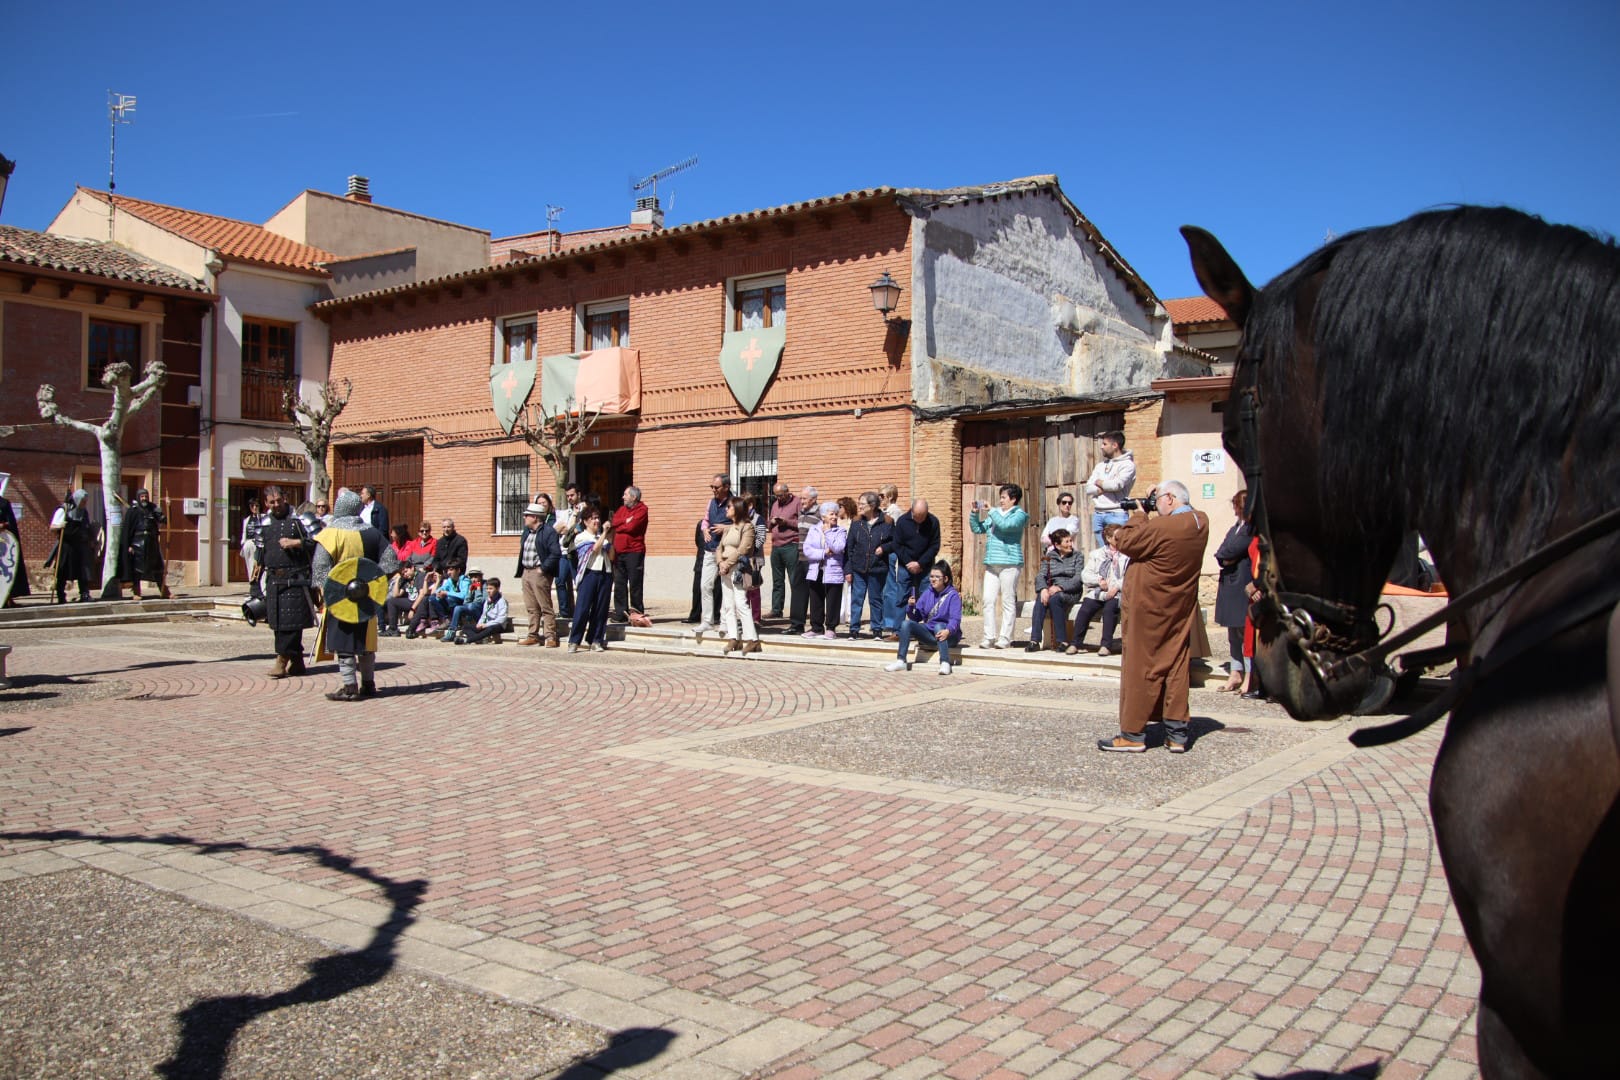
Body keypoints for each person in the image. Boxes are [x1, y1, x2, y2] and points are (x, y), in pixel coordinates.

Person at [1098, 480, 1210, 754]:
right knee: (1175, 666)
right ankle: (1177, 734)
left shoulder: (1162, 527)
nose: (1155, 503)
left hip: (1149, 608)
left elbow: (1123, 541)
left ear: (1170, 499)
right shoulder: (1200, 522)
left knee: (1140, 667)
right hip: (1179, 606)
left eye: (1158, 499)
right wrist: (1153, 504)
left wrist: (1138, 516)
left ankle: (1133, 734)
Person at [313, 487, 401, 701]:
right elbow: (391, 562)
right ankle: (368, 683)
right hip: (367, 597)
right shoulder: (371, 533)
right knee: (366, 641)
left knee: (343, 642)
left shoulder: (330, 534)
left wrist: (323, 592)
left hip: (340, 597)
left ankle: (349, 685)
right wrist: (377, 583)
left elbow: (320, 568)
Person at [259, 485, 315, 677]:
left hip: (295, 577)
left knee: (292, 623)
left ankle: (281, 660)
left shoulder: (299, 519)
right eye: (271, 502)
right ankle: (297, 661)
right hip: (274, 578)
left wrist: (295, 542)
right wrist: (254, 581)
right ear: (266, 503)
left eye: (278, 500)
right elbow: (261, 553)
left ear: (285, 498)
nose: (276, 505)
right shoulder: (264, 522)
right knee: (277, 623)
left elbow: (317, 542)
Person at [968, 483, 1029, 649]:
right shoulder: (995, 514)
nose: (1000, 500)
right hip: (992, 563)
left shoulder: (1019, 515)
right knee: (988, 600)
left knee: (1008, 601)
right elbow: (977, 528)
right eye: (1000, 497)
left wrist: (992, 511)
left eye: (1004, 497)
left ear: (1013, 499)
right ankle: (989, 637)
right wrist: (974, 514)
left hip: (1010, 563)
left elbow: (1006, 526)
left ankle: (1005, 638)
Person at [885, 561, 962, 675]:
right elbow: (915, 618)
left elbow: (955, 619)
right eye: (931, 576)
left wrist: (948, 630)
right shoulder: (927, 593)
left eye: (937, 577)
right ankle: (901, 661)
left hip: (949, 635)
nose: (933, 579)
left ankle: (945, 662)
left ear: (945, 579)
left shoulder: (953, 595)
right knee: (906, 624)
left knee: (939, 626)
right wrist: (911, 607)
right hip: (931, 635)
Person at [1212, 490, 1254, 692]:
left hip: (1242, 583)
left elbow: (1234, 549)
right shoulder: (1236, 527)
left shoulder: (1251, 528)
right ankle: (1235, 672)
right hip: (1229, 583)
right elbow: (1222, 551)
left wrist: (1227, 555)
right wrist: (1225, 556)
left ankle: (1249, 675)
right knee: (1232, 634)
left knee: (1244, 632)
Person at [1072, 523, 1128, 654]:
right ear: (1108, 538)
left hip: (1117, 592)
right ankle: (1076, 642)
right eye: (1117, 537)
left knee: (1110, 608)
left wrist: (1117, 586)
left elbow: (1130, 576)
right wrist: (1099, 580)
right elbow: (1085, 575)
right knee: (1086, 607)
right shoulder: (1097, 554)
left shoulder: (1126, 555)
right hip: (1099, 591)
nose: (1121, 539)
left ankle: (1106, 645)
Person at [844, 492, 893, 640]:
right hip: (859, 568)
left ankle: (877, 629)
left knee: (876, 600)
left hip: (877, 567)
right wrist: (848, 569)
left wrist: (884, 548)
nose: (859, 507)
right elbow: (849, 548)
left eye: (862, 504)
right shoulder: (857, 522)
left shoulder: (888, 522)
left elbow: (894, 542)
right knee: (857, 599)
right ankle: (854, 629)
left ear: (872, 506)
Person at [716, 496, 762, 654]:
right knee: (728, 605)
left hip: (738, 570)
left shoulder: (747, 527)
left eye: (729, 507)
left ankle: (753, 640)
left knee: (741, 603)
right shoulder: (728, 528)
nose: (726, 509)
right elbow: (719, 548)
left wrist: (727, 564)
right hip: (725, 570)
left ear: (737, 508)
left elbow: (743, 549)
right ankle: (733, 638)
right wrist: (720, 563)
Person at [1026, 529, 1083, 652]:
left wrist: (1060, 587)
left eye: (1070, 541)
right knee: (1041, 599)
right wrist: (1043, 589)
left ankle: (1062, 640)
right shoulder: (1049, 557)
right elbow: (1040, 575)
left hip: (1070, 591)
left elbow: (1078, 579)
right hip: (1051, 590)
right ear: (1057, 545)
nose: (1070, 544)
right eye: (1066, 542)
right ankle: (1034, 640)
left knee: (1055, 599)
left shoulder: (1077, 556)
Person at [567, 502, 614, 653]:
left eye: (598, 518)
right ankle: (574, 640)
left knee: (601, 609)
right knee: (583, 608)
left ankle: (596, 639)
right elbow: (594, 549)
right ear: (586, 521)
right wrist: (605, 534)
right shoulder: (581, 537)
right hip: (589, 574)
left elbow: (612, 556)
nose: (597, 521)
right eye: (594, 518)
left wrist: (609, 537)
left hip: (604, 574)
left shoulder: (603, 538)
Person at [515, 501, 562, 647]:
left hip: (539, 572)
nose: (525, 518)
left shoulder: (548, 532)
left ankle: (550, 637)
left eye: (527, 515)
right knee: (531, 606)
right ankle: (533, 635)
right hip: (526, 571)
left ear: (535, 517)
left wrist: (543, 568)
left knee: (545, 606)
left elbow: (555, 553)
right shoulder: (527, 532)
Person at [891, 499, 941, 634]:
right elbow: (897, 544)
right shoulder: (902, 522)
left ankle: (926, 630)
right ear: (912, 511)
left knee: (927, 598)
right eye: (917, 516)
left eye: (923, 517)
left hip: (924, 567)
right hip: (905, 566)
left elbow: (934, 546)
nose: (920, 520)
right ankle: (898, 631)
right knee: (901, 598)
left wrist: (920, 563)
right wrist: (909, 563)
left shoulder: (933, 522)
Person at [691, 474, 731, 640]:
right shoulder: (711, 502)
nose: (713, 490)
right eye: (712, 487)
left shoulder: (733, 503)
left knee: (726, 588)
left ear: (726, 488)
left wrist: (726, 528)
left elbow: (742, 525)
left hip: (726, 552)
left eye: (716, 487)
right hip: (709, 550)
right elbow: (706, 520)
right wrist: (705, 529)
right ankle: (707, 620)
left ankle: (724, 622)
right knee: (705, 586)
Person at [801, 501, 847, 639]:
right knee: (816, 599)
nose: (834, 516)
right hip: (816, 569)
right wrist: (823, 553)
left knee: (833, 600)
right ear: (823, 516)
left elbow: (839, 548)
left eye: (836, 514)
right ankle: (816, 628)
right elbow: (807, 550)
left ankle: (831, 628)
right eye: (831, 514)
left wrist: (827, 532)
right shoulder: (813, 530)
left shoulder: (840, 531)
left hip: (833, 570)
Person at [1084, 431, 1136, 550]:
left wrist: (1101, 482)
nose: (1101, 447)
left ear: (1115, 445)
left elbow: (1116, 485)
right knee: (1104, 553)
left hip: (1116, 513)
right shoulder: (1100, 466)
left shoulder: (1128, 465)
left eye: (1104, 444)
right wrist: (1099, 490)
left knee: (1120, 551)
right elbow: (1088, 488)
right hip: (1098, 513)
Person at [120, 487, 170, 599]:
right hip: (138, 543)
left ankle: (164, 590)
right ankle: (136, 592)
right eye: (142, 496)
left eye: (146, 496)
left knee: (157, 568)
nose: (144, 499)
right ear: (138, 497)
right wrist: (129, 545)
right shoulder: (133, 510)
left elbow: (164, 520)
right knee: (137, 569)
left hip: (152, 542)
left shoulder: (153, 508)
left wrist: (168, 507)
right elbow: (127, 529)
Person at [49, 490, 95, 604]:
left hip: (80, 545)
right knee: (63, 571)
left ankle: (84, 594)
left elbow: (87, 527)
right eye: (83, 501)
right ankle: (61, 596)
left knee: (83, 571)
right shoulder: (63, 510)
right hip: (66, 546)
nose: (84, 504)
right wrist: (60, 525)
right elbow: (52, 527)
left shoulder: (84, 512)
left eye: (85, 501)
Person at [610, 486, 648, 622]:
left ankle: (637, 613)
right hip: (619, 552)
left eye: (625, 495)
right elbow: (614, 522)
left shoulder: (642, 510)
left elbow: (632, 527)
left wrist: (625, 524)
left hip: (634, 552)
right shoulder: (622, 509)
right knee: (619, 583)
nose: (623, 497)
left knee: (635, 583)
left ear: (634, 497)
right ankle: (621, 613)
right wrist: (624, 521)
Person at [765, 482, 800, 621]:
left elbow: (802, 523)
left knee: (794, 580)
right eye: (776, 495)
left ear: (787, 492)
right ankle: (776, 609)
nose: (778, 498)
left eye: (780, 495)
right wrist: (772, 522)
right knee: (777, 580)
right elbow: (768, 525)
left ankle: (796, 611)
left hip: (791, 545)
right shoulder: (775, 505)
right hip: (776, 546)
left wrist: (787, 522)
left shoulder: (797, 502)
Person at [786, 484, 818, 635]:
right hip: (800, 556)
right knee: (798, 590)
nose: (802, 501)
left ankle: (816, 626)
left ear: (813, 499)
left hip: (813, 560)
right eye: (801, 498)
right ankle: (796, 625)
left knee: (814, 592)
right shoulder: (801, 513)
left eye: (804, 498)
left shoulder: (819, 514)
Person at [554, 484, 581, 620]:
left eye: (572, 495)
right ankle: (565, 612)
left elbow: (572, 529)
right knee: (559, 581)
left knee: (579, 581)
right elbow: (557, 529)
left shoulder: (583, 509)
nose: (570, 498)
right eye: (568, 496)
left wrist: (567, 528)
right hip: (563, 552)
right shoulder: (564, 512)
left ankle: (582, 610)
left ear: (578, 494)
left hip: (575, 552)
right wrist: (566, 528)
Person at [456, 577, 508, 644]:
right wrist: (479, 624)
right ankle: (478, 639)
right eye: (487, 589)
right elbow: (484, 614)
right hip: (485, 624)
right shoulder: (488, 600)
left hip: (497, 625)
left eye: (491, 589)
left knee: (490, 629)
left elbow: (501, 619)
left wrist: (487, 625)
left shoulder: (502, 601)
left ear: (497, 589)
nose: (488, 591)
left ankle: (467, 640)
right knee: (465, 627)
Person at [0, 493, 31, 606]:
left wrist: (4, 525)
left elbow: (11, 522)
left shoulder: (4, 503)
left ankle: (8, 598)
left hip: (4, 544)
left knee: (5, 571)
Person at [440, 568, 486, 641]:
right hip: (471, 608)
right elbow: (466, 601)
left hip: (481, 610)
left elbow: (480, 601)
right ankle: (452, 631)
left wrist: (478, 589)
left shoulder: (485, 585)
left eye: (476, 577)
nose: (474, 579)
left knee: (471, 606)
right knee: (458, 608)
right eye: (471, 577)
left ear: (481, 576)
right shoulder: (472, 585)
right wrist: (470, 591)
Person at [241, 497, 265, 601]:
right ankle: (253, 587)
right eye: (252, 506)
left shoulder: (263, 517)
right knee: (250, 567)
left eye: (257, 506)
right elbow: (244, 534)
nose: (255, 508)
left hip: (260, 545)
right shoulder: (247, 520)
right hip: (249, 544)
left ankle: (262, 589)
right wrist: (243, 543)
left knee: (260, 567)